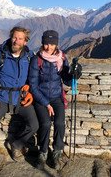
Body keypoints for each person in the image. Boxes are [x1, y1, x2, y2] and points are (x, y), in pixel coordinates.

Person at [0, 26, 39, 177]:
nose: (16, 41)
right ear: (10, 37)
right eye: (14, 37)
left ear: (25, 42)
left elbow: (34, 79)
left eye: (20, 38)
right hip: (0, 98)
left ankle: (16, 144)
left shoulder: (29, 57)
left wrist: (31, 93)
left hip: (20, 99)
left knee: (35, 124)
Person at [28, 30, 82, 170]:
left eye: (52, 44)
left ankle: (57, 153)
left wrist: (75, 74)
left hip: (57, 97)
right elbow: (33, 86)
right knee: (45, 123)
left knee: (59, 123)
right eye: (46, 43)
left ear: (56, 44)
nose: (48, 47)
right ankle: (43, 153)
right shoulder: (37, 60)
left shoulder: (62, 58)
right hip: (41, 98)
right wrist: (46, 103)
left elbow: (67, 80)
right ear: (42, 43)